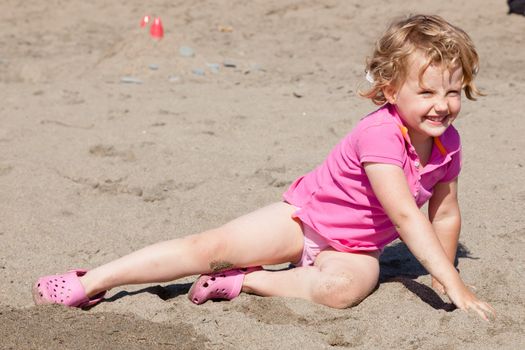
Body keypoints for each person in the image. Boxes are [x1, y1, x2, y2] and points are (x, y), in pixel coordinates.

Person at [33, 14, 495, 321]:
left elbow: (445, 212)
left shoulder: (447, 143)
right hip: (302, 220)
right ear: (392, 91)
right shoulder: (379, 134)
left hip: (353, 248)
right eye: (428, 92)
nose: (443, 106)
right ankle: (89, 280)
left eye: (453, 92)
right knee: (208, 247)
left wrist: (441, 275)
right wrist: (454, 283)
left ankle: (244, 281)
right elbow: (406, 215)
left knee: (342, 291)